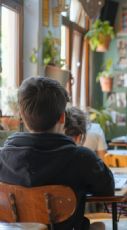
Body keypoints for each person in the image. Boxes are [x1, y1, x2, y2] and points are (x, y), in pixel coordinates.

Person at [0, 77, 114, 229]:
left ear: (21, 115)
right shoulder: (82, 158)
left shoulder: (3, 157)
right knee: (101, 226)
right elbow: (107, 190)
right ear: (62, 117)